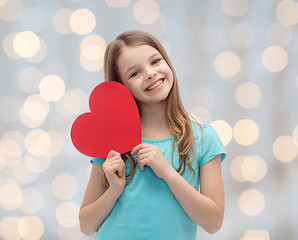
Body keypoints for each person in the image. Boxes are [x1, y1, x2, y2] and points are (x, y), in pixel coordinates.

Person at [79, 30, 226, 240]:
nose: (149, 73)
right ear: (121, 87)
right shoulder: (112, 141)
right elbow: (86, 226)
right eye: (134, 73)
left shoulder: (204, 139)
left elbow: (213, 222)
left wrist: (167, 172)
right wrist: (113, 190)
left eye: (155, 61)